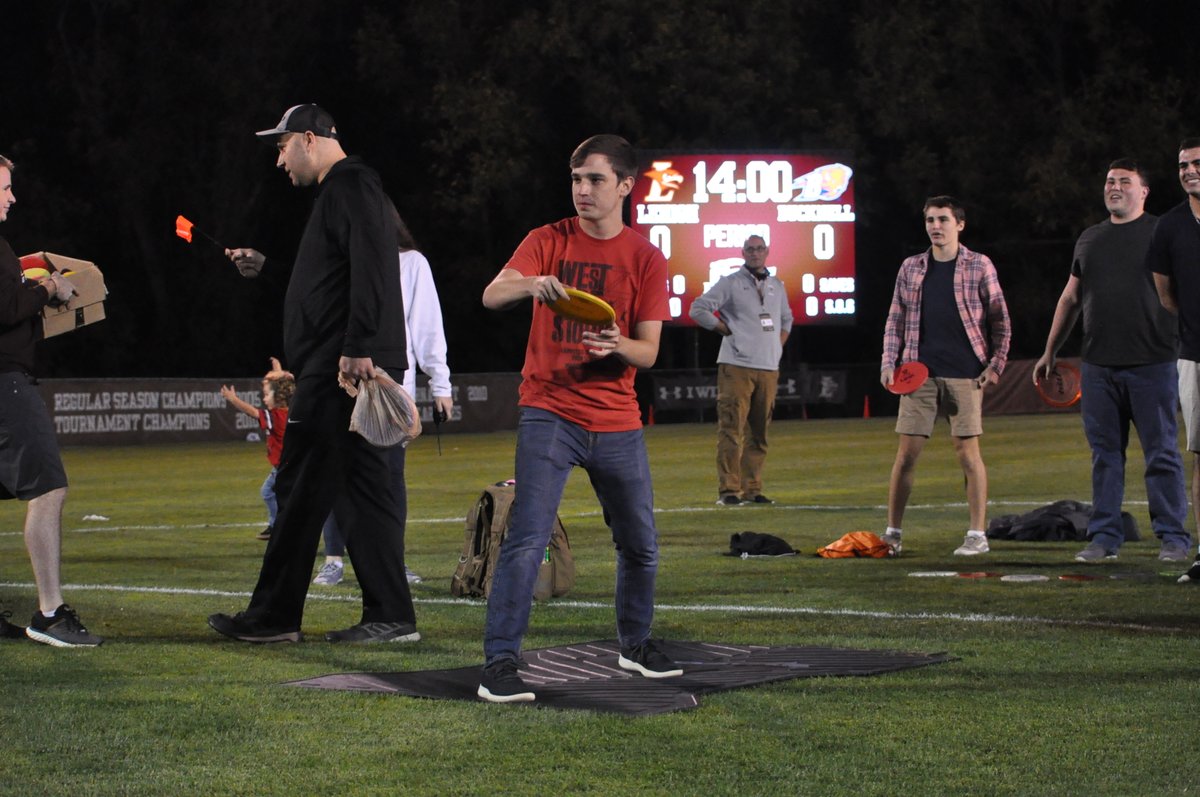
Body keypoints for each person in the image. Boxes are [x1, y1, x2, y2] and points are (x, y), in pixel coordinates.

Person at [476, 134, 681, 703]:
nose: (582, 190)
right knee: (527, 539)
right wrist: (529, 283)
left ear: (624, 186)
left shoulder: (646, 257)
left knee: (640, 543)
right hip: (550, 413)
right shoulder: (548, 239)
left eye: (594, 179)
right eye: (575, 179)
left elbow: (648, 352)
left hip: (617, 419)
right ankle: (499, 664)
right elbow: (493, 295)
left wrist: (617, 344)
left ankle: (635, 644)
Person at [207, 103, 418, 643]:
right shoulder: (343, 190)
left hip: (340, 368)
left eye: (281, 147)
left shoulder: (350, 184)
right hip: (340, 360)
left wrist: (359, 346)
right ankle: (391, 616)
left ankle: (273, 618)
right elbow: (330, 283)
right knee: (363, 494)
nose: (279, 161)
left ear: (308, 139)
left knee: (298, 486)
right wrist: (270, 270)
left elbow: (375, 263)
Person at [1035, 159, 1190, 563]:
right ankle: (1104, 538)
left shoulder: (1163, 231)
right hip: (1099, 366)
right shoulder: (1089, 238)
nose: (1114, 187)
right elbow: (1070, 298)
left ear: (1144, 191)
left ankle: (1173, 536)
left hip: (1153, 362)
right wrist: (1050, 350)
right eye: (1109, 181)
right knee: (1105, 457)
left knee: (1162, 454)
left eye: (1125, 181)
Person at [314, 203, 453, 588]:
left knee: (389, 478)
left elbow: (426, 326)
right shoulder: (342, 264)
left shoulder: (410, 264)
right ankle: (334, 559)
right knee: (336, 473)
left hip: (389, 392)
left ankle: (392, 559)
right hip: (340, 386)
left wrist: (440, 384)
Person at [0, 154, 102, 646]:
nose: (11, 196)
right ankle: (48, 614)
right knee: (48, 488)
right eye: (3, 187)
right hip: (5, 383)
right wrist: (48, 287)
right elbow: (4, 307)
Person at [880, 196, 1011, 557]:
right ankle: (893, 534)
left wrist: (996, 365)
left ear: (960, 224)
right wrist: (888, 362)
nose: (936, 226)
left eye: (943, 220)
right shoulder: (911, 267)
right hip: (917, 374)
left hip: (966, 374)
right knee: (906, 455)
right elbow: (895, 319)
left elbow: (1000, 318)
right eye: (930, 221)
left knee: (968, 454)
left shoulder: (979, 264)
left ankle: (976, 534)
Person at [689, 234, 792, 505]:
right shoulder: (730, 283)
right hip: (737, 365)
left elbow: (787, 319)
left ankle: (753, 489)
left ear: (767, 251)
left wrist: (776, 347)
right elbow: (698, 309)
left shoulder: (776, 285)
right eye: (750, 249)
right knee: (731, 429)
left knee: (760, 433)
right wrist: (722, 329)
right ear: (743, 252)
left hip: (768, 367)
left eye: (759, 248)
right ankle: (729, 491)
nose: (755, 253)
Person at [1148, 136, 1200, 583]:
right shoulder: (1169, 225)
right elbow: (1166, 296)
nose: (1189, 171)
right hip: (1196, 355)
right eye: (1183, 164)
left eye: (1197, 163)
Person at [219, 365, 295, 542]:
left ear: (279, 397)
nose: (264, 397)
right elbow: (283, 384)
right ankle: (280, 525)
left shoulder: (276, 416)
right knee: (277, 494)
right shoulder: (287, 412)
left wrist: (233, 399)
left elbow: (253, 412)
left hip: (284, 467)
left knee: (269, 492)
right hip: (285, 465)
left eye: (268, 394)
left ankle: (277, 526)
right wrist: (279, 370)